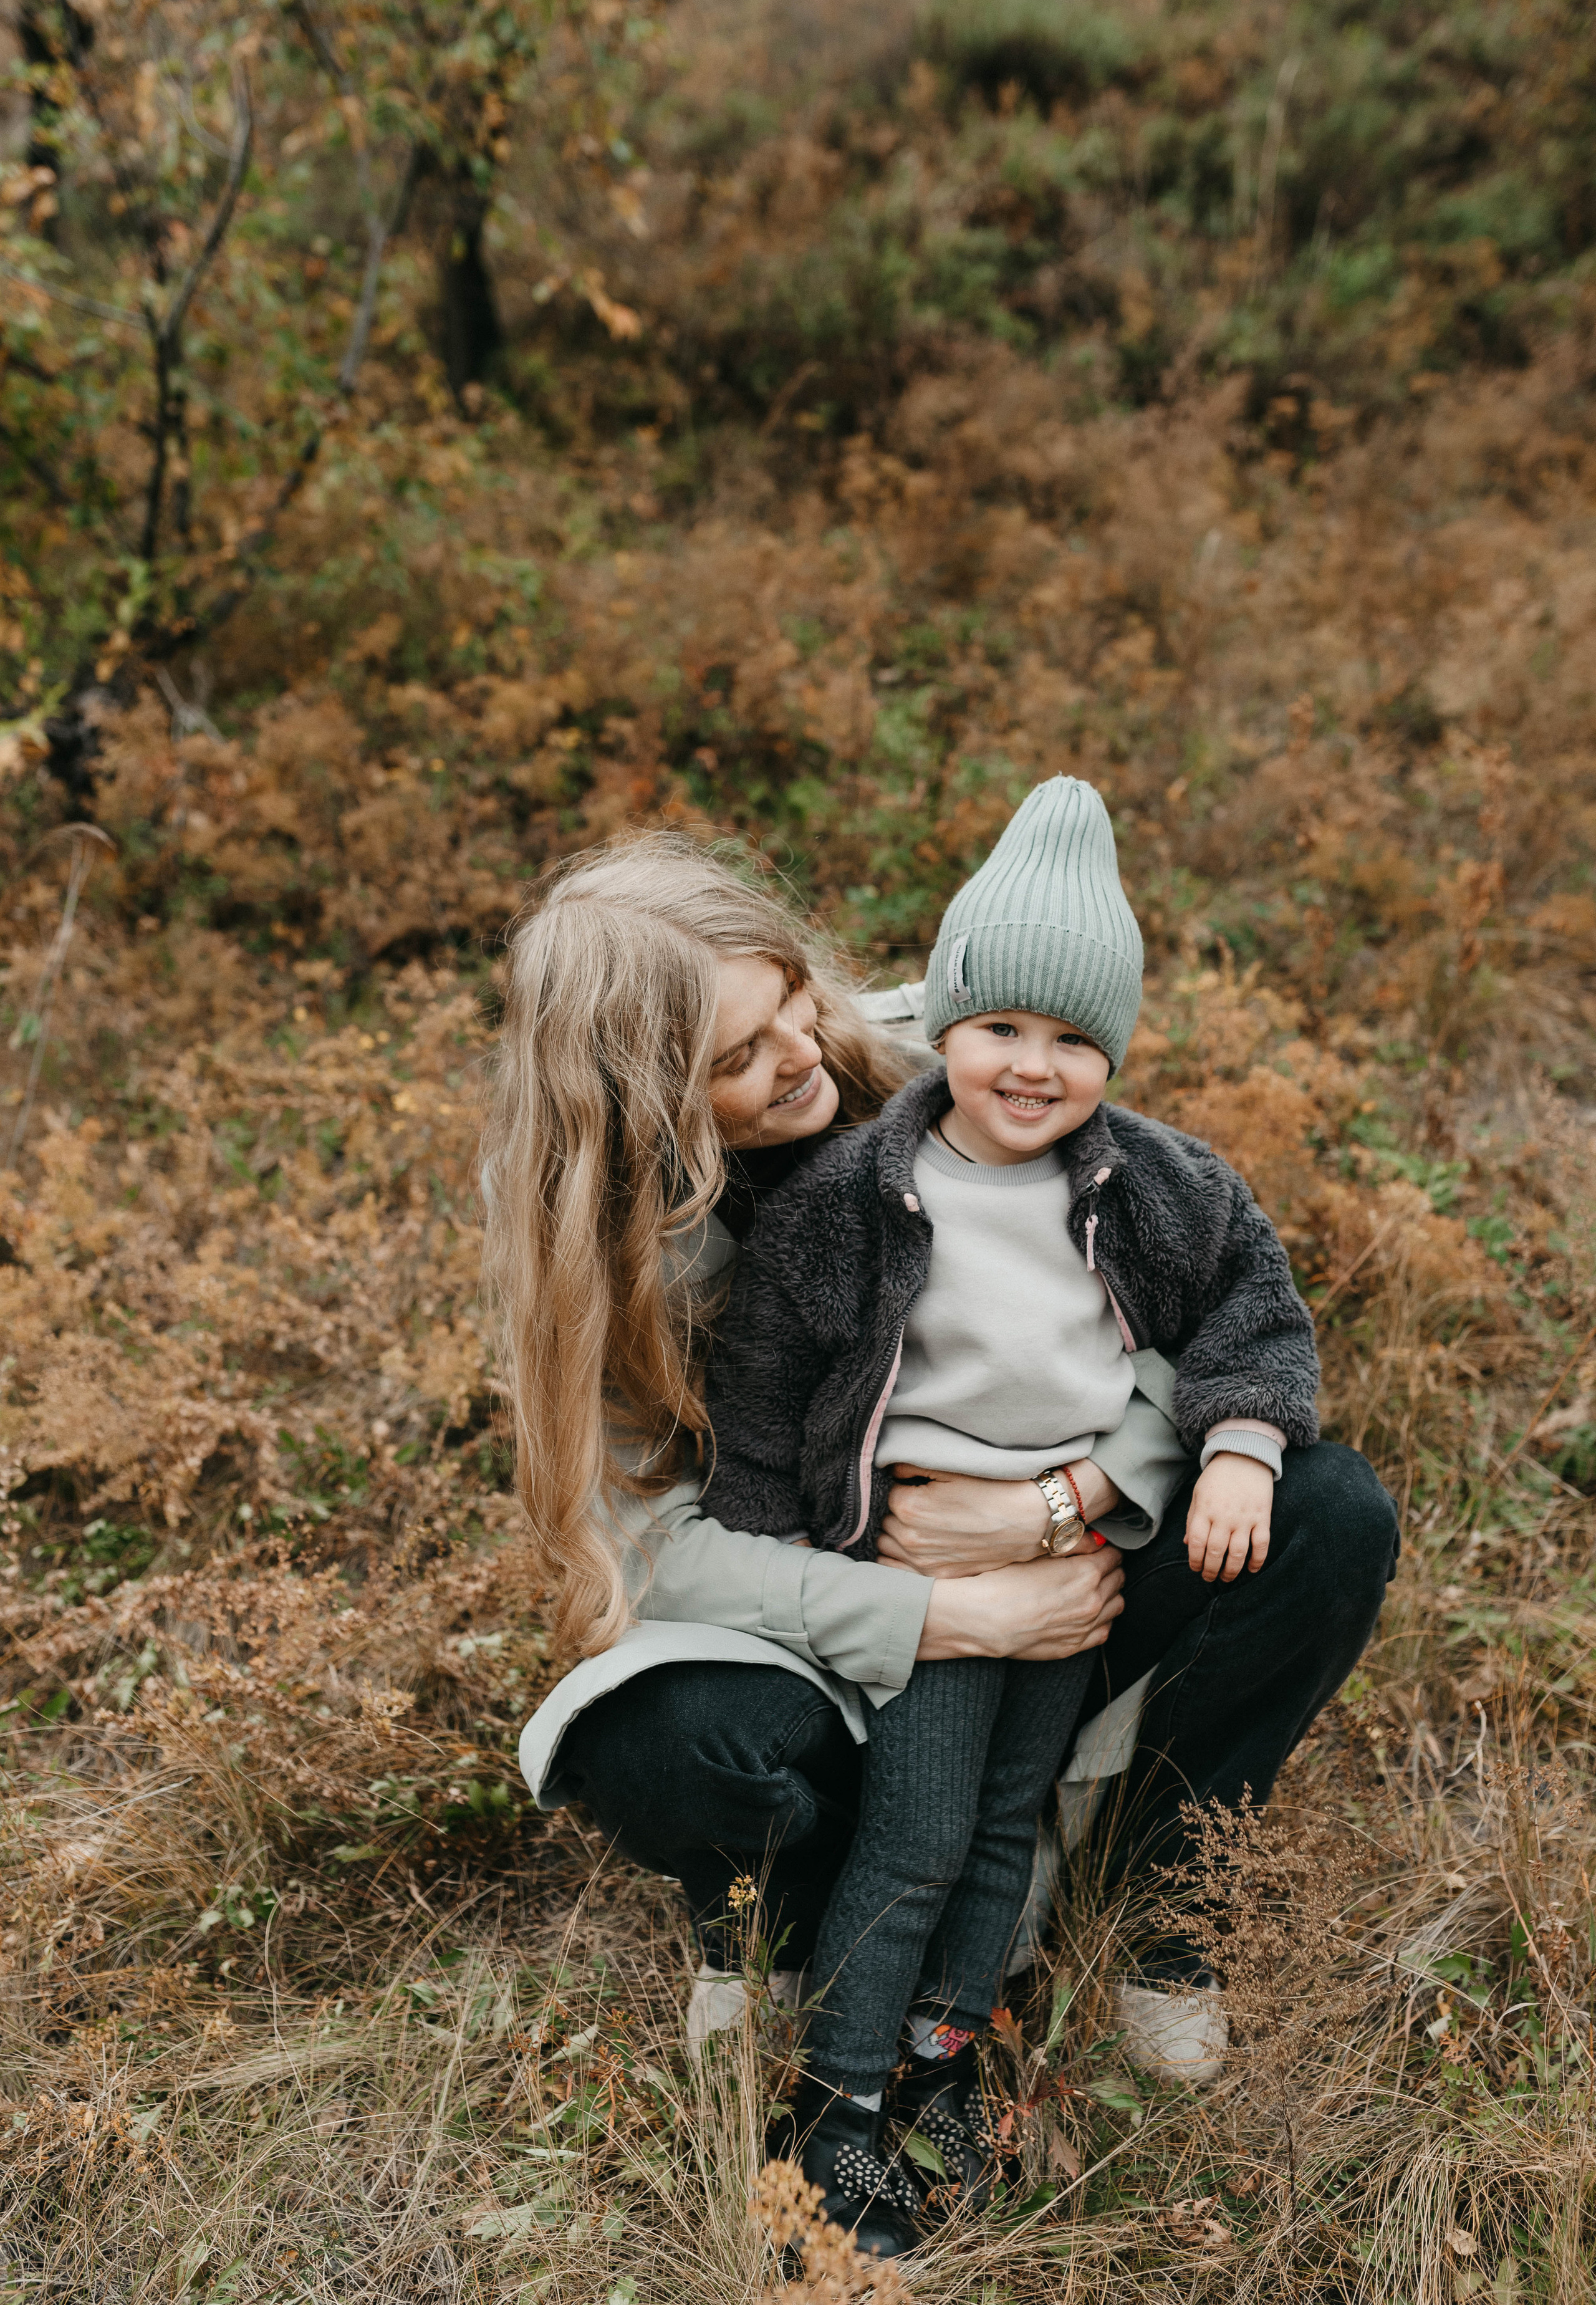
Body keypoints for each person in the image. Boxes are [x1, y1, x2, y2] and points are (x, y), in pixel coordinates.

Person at [493, 830, 1398, 2243]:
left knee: (1326, 1511)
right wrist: (941, 1612)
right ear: (644, 1106)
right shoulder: (603, 1257)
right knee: (662, 1744)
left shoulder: (971, 1048)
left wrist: (1056, 1505)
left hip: (1064, 1557)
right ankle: (797, 1967)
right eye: (739, 1058)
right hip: (826, 1598)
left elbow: (1168, 1317)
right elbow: (659, 1552)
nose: (801, 1052)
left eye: (793, 1002)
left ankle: (1148, 1898)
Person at [698, 777, 1320, 2253]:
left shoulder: (1156, 1183)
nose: (1032, 1067)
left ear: (1114, 1050)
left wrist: (1239, 1446)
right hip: (922, 1576)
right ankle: (834, 2107)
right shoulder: (850, 1194)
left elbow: (1253, 1306)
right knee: (916, 1837)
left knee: (998, 1827)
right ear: (945, 1023)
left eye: (1073, 1040)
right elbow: (764, 1389)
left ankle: (939, 2061)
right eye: (999, 1028)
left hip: (1074, 1568)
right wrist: (789, 1567)